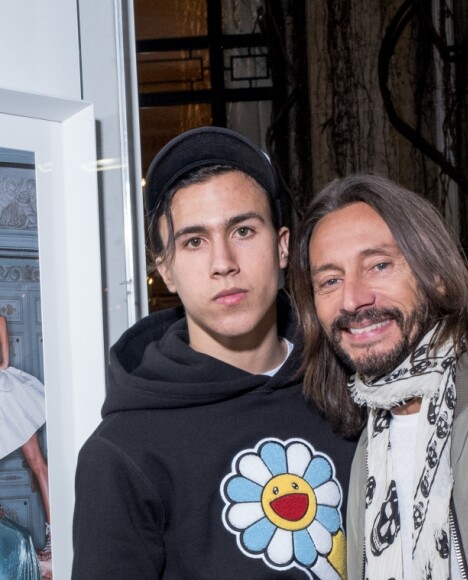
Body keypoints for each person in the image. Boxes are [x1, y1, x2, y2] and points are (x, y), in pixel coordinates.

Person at [72, 127, 357, 579]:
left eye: (243, 230)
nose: (223, 262)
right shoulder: (123, 451)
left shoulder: (352, 380)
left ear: (282, 246)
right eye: (194, 241)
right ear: (165, 268)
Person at [290, 173, 468, 580]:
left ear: (438, 278)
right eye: (330, 280)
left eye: (379, 265)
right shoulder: (369, 449)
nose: (353, 298)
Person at [0, 315, 51, 561]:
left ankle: (54, 541)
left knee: (38, 463)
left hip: (6, 391)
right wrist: (5, 362)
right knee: (38, 463)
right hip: (8, 390)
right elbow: (0, 319)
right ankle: (56, 539)